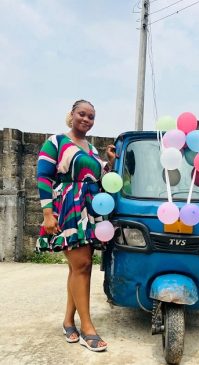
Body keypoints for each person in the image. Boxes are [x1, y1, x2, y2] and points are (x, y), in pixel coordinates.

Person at [36, 99, 116, 352]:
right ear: (72, 114)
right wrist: (48, 214)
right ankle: (87, 328)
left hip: (89, 209)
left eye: (91, 116)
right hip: (68, 207)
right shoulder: (56, 141)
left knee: (79, 267)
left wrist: (110, 161)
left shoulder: (92, 150)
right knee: (81, 265)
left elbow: (103, 178)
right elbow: (43, 176)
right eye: (82, 114)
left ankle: (69, 321)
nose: (86, 119)